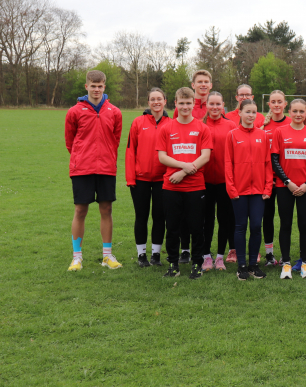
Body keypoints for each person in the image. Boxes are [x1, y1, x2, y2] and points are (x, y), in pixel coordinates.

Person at [65, 70, 123, 272]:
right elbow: (70, 142)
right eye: (93, 85)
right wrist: (83, 156)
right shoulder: (74, 111)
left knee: (106, 209)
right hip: (82, 168)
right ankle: (76, 257)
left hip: (106, 168)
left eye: (100, 86)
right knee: (80, 211)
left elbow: (115, 140)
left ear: (104, 87)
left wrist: (105, 157)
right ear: (86, 87)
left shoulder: (114, 112)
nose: (96, 89)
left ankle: (107, 256)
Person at [157, 87, 213, 279]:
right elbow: (162, 157)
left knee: (197, 227)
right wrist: (183, 167)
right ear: (175, 104)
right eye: (181, 103)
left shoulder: (202, 128)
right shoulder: (166, 128)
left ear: (193, 104)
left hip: (195, 186)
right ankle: (173, 265)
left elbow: (205, 156)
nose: (185, 106)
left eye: (188, 103)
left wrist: (183, 172)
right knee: (172, 228)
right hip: (171, 186)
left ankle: (197, 264)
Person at [270, 99, 306, 279]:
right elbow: (275, 160)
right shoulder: (280, 131)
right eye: (295, 111)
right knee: (285, 224)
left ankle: (305, 263)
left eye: (302, 111)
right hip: (285, 187)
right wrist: (287, 182)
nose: (298, 114)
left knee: (305, 225)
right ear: (289, 112)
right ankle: (286, 263)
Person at [225, 99, 273, 281]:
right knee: (240, 227)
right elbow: (228, 163)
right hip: (239, 190)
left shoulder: (263, 135)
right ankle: (242, 266)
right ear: (240, 113)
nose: (251, 115)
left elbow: (268, 163)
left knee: (256, 226)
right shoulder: (232, 135)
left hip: (259, 191)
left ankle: (253, 264)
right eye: (247, 112)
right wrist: (231, 188)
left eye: (254, 112)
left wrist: (268, 187)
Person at [125, 87, 169, 267]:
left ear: (165, 101)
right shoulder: (138, 122)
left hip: (163, 180)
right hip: (140, 179)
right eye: (153, 99)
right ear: (148, 102)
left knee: (159, 217)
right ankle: (141, 255)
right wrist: (130, 178)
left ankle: (156, 255)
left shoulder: (171, 123)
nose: (156, 102)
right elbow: (130, 151)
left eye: (159, 99)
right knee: (141, 216)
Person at [200, 91, 237, 271]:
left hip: (224, 181)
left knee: (225, 219)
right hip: (203, 181)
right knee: (206, 219)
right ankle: (206, 256)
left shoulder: (231, 126)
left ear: (223, 106)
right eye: (211, 104)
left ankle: (220, 257)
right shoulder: (199, 125)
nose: (214, 107)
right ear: (206, 105)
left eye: (218, 104)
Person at [260, 90, 292, 265]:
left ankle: (285, 254)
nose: (277, 104)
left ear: (285, 104)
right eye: (274, 102)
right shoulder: (263, 126)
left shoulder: (291, 123)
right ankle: (269, 254)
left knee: (286, 218)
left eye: (280, 101)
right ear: (269, 104)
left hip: (285, 180)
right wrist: (267, 178)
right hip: (267, 180)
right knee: (268, 217)